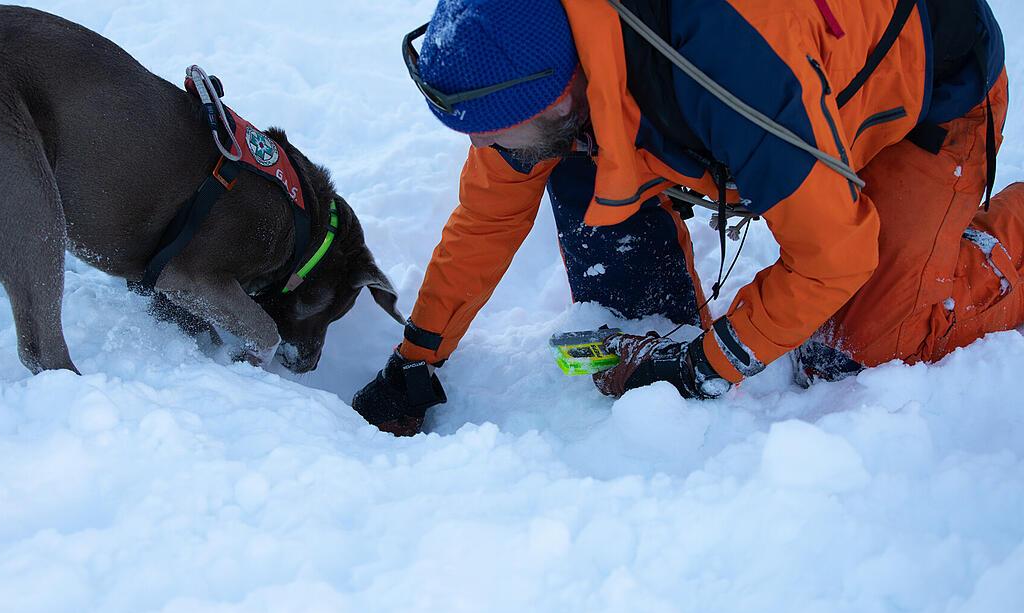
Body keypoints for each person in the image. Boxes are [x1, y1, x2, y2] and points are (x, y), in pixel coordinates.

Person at [353, 0, 1023, 436]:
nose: (481, 150)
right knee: (570, 156)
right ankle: (653, 323)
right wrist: (418, 353)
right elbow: (488, 216)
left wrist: (703, 365)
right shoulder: (543, 51)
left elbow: (832, 261)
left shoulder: (725, 67)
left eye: (492, 133)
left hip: (930, 94)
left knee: (863, 346)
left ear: (559, 97)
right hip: (799, 101)